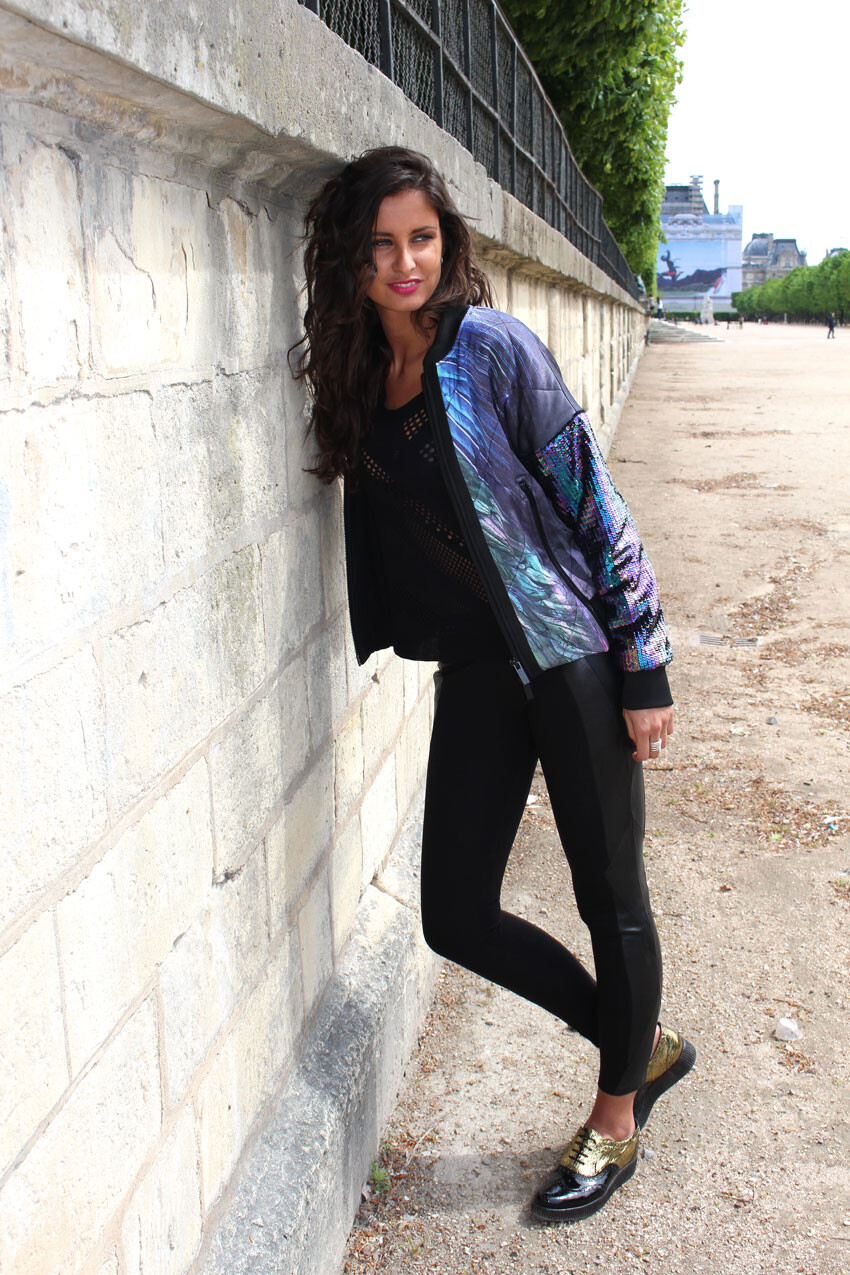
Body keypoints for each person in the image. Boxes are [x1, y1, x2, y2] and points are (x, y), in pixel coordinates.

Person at [290, 147, 694, 1225]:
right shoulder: (360, 377)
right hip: (478, 671)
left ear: (447, 242)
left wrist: (642, 662)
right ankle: (638, 1041)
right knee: (455, 914)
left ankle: (615, 1118)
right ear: (352, 257)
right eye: (382, 243)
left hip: (568, 657)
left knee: (610, 894)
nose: (405, 262)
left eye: (421, 238)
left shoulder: (493, 348)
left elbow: (595, 500)